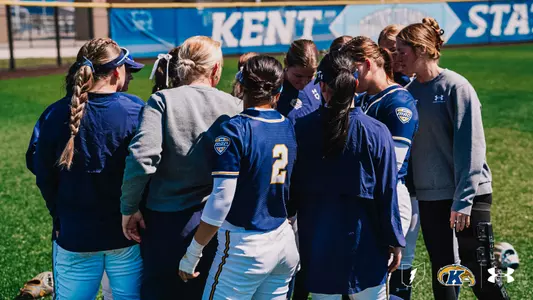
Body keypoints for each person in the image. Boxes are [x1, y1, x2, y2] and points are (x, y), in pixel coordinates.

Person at [120, 35, 242, 299]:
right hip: (215, 222)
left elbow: (142, 159)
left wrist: (128, 208)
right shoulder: (234, 106)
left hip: (165, 222)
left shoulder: (162, 100)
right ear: (216, 69)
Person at [396, 18, 510, 300]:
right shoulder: (408, 94)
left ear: (421, 50)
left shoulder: (456, 87)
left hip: (468, 196)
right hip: (431, 196)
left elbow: (471, 148)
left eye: (401, 51)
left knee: (480, 273)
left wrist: (463, 201)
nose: (396, 57)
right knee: (444, 271)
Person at [178, 54, 299, 300]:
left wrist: (193, 252)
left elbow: (221, 200)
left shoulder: (234, 130)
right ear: (277, 92)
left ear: (241, 85)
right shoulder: (286, 125)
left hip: (246, 247)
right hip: (283, 241)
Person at [33, 38, 145, 299]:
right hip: (127, 236)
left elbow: (41, 171)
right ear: (117, 71)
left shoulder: (54, 114)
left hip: (74, 234)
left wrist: (58, 214)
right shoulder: (137, 110)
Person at [290, 50, 405, 300]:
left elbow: (291, 192)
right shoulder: (376, 131)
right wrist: (395, 238)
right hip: (365, 245)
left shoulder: (300, 129)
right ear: (355, 84)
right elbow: (387, 193)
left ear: (322, 85)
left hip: (317, 243)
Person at [341, 36, 419, 300]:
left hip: (388, 198)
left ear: (366, 64)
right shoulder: (363, 99)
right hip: (364, 197)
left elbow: (391, 167)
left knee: (371, 289)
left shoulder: (398, 104)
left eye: (351, 70)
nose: (349, 78)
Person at [276, 39, 321, 124]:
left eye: (310, 76)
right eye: (298, 76)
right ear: (287, 65)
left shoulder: (319, 86)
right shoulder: (274, 90)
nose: (304, 81)